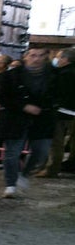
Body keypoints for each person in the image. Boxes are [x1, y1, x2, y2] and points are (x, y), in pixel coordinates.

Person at [0, 46, 56, 197]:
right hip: (15, 119)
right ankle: (10, 185)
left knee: (41, 151)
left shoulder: (54, 75)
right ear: (26, 57)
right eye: (33, 55)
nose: (36, 59)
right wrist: (23, 106)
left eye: (41, 55)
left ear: (45, 57)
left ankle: (25, 173)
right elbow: (0, 96)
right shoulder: (11, 75)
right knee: (12, 153)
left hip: (42, 119)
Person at [40, 48, 74, 178]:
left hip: (60, 111)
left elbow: (58, 93)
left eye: (59, 57)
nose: (57, 59)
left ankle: (52, 169)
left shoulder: (64, 74)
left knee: (56, 142)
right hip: (70, 111)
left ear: (65, 59)